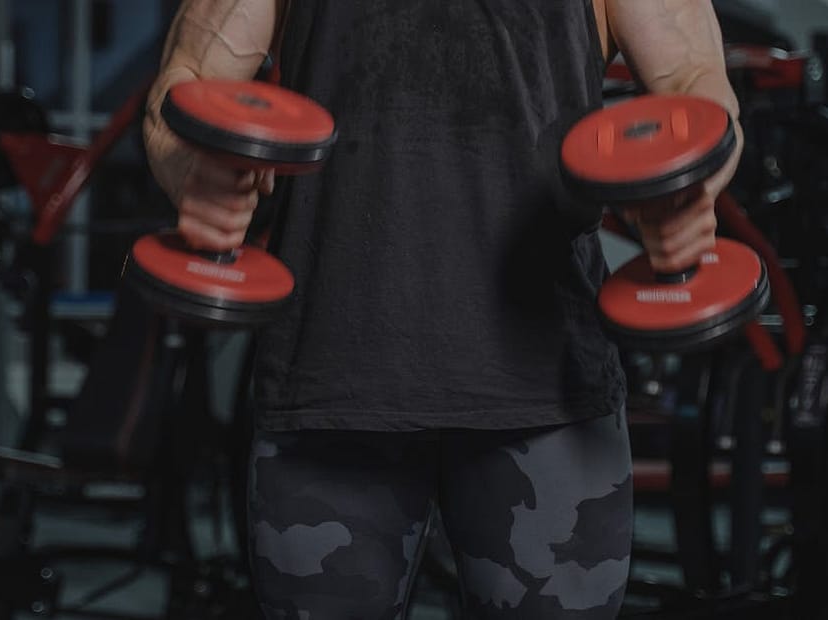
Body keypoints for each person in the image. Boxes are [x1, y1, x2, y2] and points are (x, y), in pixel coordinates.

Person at [143, 1, 743, 617]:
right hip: (330, 387)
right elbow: (186, 78)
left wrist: (686, 183)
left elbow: (694, 82)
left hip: (546, 395)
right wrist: (192, 168)